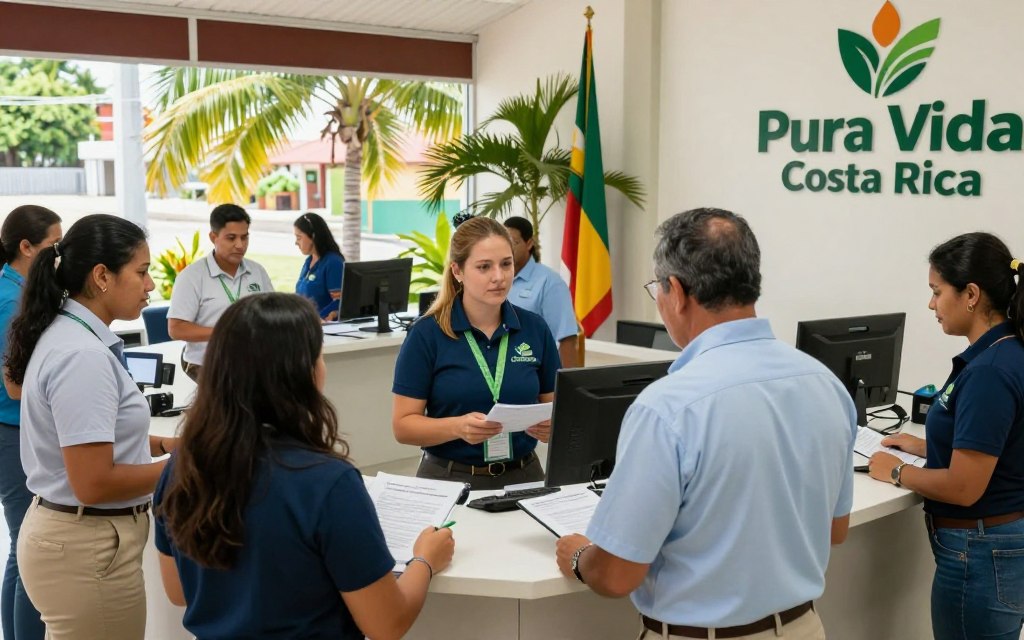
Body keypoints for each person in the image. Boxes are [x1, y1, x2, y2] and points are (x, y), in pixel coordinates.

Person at [554, 208, 856, 639]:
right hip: (803, 628)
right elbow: (835, 529)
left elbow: (617, 576)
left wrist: (580, 555)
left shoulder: (668, 406)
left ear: (675, 291)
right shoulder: (825, 383)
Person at [153, 293, 454, 639]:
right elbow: (387, 623)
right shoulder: (329, 483)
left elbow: (178, 592)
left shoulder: (182, 467)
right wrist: (425, 560)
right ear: (304, 373)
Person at [4, 213, 177, 640]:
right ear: (102, 276)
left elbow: (100, 438)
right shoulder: (82, 356)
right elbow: (93, 482)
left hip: (82, 543)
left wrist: (163, 444)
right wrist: (189, 466)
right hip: (87, 549)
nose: (151, 285)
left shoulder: (73, 334)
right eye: (141, 272)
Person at [867, 233, 1024, 640]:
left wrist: (897, 472)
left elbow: (964, 486)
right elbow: (1000, 443)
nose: (931, 305)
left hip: (980, 551)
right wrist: (925, 446)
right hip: (992, 548)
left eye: (937, 292)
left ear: (970, 294)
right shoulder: (1003, 352)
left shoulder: (990, 371)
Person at [392, 216, 560, 490]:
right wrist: (457, 427)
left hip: (524, 476)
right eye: (484, 267)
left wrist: (552, 427)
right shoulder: (427, 334)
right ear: (457, 271)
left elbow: (555, 408)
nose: (499, 276)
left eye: (506, 264)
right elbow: (403, 426)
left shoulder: (534, 328)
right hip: (449, 480)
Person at [0, 205, 61, 640]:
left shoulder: (14, 288)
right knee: (28, 553)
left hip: (14, 429)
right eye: (52, 248)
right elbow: (16, 384)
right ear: (26, 247)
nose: (60, 257)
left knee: (20, 552)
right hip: (12, 431)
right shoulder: (12, 299)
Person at [167, 203, 273, 381]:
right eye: (231, 238)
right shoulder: (192, 276)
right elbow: (176, 329)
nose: (240, 245)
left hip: (251, 362)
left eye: (244, 238)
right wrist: (227, 332)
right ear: (213, 237)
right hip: (207, 366)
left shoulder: (257, 272)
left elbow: (271, 313)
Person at [503, 216, 579, 367]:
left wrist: (572, 387)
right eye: (504, 243)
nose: (508, 249)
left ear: (529, 243)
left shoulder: (550, 282)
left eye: (514, 243)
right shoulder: (498, 279)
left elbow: (566, 339)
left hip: (536, 372)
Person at [294, 212, 345, 321]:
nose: (296, 242)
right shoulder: (309, 262)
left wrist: (316, 320)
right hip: (304, 326)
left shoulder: (333, 262)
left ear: (313, 236)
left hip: (323, 329)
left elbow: (339, 302)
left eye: (299, 238)